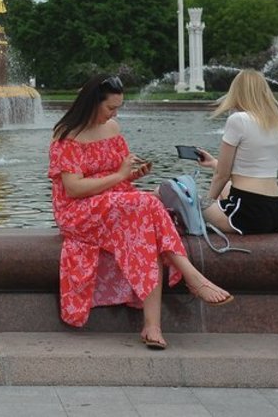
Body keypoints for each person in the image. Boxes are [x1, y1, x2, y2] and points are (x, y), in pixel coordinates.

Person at [48, 74, 232, 350]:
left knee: (147, 220)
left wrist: (132, 174)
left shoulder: (112, 128)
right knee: (148, 206)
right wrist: (121, 175)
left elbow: (120, 175)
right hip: (78, 212)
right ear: (91, 103)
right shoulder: (66, 137)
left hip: (114, 202)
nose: (115, 113)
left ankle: (152, 326)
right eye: (110, 108)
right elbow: (73, 189)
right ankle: (190, 276)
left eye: (118, 108)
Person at [194, 69, 278, 235]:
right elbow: (252, 166)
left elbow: (222, 175)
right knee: (228, 189)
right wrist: (213, 163)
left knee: (184, 199)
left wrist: (206, 205)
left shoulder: (238, 120)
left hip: (247, 212)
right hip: (276, 212)